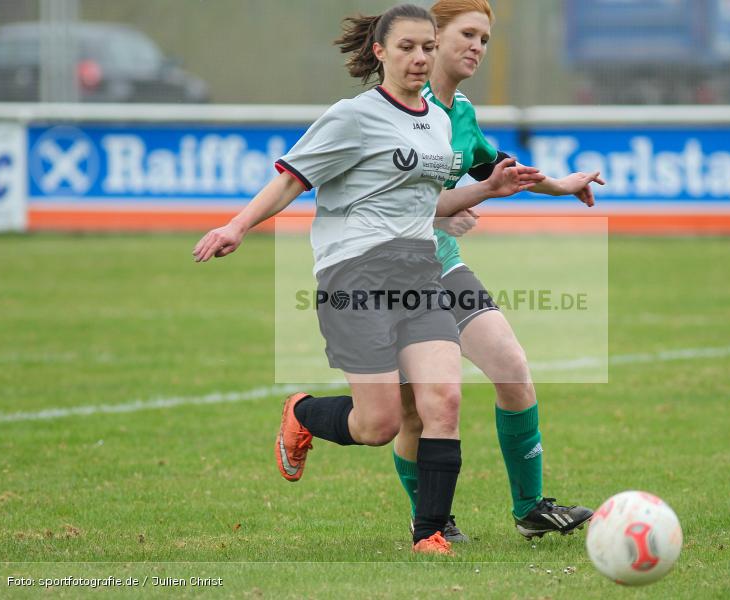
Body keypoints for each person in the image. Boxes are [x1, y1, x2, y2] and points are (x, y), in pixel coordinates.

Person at [192, 4, 540, 555]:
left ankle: (429, 534)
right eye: (407, 47)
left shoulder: (441, 121)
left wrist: (487, 188)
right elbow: (290, 180)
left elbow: (433, 200)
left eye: (427, 47)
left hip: (420, 272)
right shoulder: (352, 116)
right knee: (377, 424)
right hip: (354, 274)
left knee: (443, 400)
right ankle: (302, 411)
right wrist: (237, 225)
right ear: (380, 52)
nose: (420, 57)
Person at [391, 0, 606, 543]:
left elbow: (496, 169)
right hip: (389, 274)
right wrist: (442, 205)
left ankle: (531, 507)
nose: (477, 48)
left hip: (442, 265)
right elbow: (383, 193)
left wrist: (562, 184)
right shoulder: (392, 108)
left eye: (485, 39)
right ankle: (432, 521)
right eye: (468, 34)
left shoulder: (460, 111)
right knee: (410, 414)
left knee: (512, 369)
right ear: (432, 37)